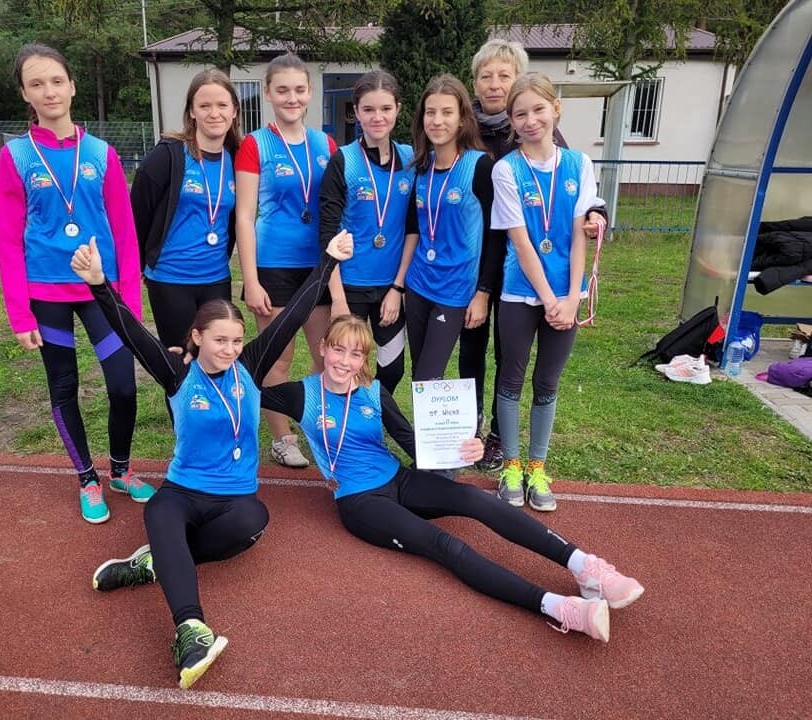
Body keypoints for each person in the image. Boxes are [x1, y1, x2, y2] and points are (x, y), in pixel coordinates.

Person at [93, 315, 645, 643]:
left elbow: (415, 447)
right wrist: (197, 361)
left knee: (477, 503)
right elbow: (240, 385)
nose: (344, 361)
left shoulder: (375, 393)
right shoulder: (301, 394)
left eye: (356, 354)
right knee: (444, 546)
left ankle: (585, 566)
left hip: (398, 479)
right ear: (323, 350)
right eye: (337, 349)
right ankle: (556, 606)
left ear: (363, 361)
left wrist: (468, 449)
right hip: (360, 503)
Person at [73, 231, 354, 689]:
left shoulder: (251, 366)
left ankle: (153, 563)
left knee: (254, 521)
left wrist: (328, 260)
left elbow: (296, 312)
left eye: (237, 340)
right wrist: (99, 284)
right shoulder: (176, 373)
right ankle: (191, 630)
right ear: (196, 337)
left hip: (233, 499)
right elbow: (131, 332)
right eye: (220, 340)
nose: (230, 349)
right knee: (159, 511)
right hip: (184, 491)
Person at [0, 43, 152, 524]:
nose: (49, 91)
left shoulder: (101, 154)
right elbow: (8, 239)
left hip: (101, 289)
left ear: (72, 86)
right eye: (37, 84)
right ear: (25, 94)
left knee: (122, 387)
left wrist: (130, 303)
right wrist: (19, 313)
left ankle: (120, 470)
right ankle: (87, 478)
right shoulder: (16, 156)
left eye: (56, 81)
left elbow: (124, 232)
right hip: (46, 293)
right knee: (64, 386)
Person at [462, 38, 608, 472]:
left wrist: (597, 217)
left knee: (528, 371)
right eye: (486, 76)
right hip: (486, 266)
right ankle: (480, 437)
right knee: (482, 356)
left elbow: (577, 211)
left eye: (503, 76)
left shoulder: (560, 146)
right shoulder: (469, 131)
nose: (494, 83)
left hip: (538, 272)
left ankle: (512, 449)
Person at [490, 72, 599, 512]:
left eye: (538, 109)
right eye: (520, 114)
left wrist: (571, 298)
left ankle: (537, 467)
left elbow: (579, 236)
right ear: (511, 121)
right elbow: (520, 242)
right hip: (520, 292)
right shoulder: (505, 169)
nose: (530, 120)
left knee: (548, 382)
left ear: (556, 109)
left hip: (567, 295)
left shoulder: (579, 164)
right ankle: (511, 466)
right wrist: (549, 298)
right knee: (511, 379)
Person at [235, 53, 338, 468]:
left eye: (298, 89)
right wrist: (251, 280)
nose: (291, 98)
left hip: (318, 266)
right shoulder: (255, 144)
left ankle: (320, 427)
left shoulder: (326, 144)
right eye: (282, 90)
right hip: (273, 266)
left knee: (324, 355)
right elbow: (244, 215)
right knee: (278, 358)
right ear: (267, 93)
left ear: (310, 92)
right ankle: (282, 438)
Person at [130, 69, 242, 352]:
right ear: (192, 111)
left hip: (217, 277)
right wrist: (142, 261)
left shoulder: (237, 158)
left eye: (222, 105)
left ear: (234, 111)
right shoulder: (169, 155)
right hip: (171, 279)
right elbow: (137, 214)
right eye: (204, 106)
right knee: (181, 359)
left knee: (218, 356)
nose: (214, 113)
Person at [319, 70, 415, 393]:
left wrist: (397, 288)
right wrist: (338, 300)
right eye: (369, 109)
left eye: (386, 108)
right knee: (346, 367)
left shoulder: (410, 159)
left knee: (393, 368)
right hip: (350, 286)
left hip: (390, 286)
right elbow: (327, 235)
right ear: (357, 112)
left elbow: (413, 228)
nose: (378, 117)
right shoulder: (343, 161)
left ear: (397, 109)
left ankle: (373, 413)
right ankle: (350, 417)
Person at [396, 73, 495, 382]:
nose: (437, 120)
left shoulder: (481, 166)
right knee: (420, 373)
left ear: (462, 119)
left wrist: (483, 293)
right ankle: (427, 418)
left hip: (456, 288)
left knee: (428, 374)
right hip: (418, 283)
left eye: (447, 112)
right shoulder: (420, 167)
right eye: (431, 112)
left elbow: (495, 236)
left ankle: (457, 416)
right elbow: (415, 227)